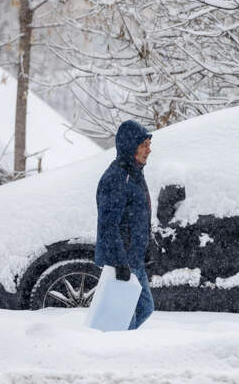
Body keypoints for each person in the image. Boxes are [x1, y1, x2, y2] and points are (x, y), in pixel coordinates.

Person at [94, 120, 154, 330]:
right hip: (122, 261)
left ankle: (121, 346)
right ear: (130, 146)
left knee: (145, 307)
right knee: (122, 318)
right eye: (144, 145)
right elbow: (108, 226)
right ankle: (118, 353)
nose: (149, 150)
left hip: (134, 258)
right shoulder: (117, 178)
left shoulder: (135, 173)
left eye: (148, 144)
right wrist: (119, 263)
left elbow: (138, 215)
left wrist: (146, 245)